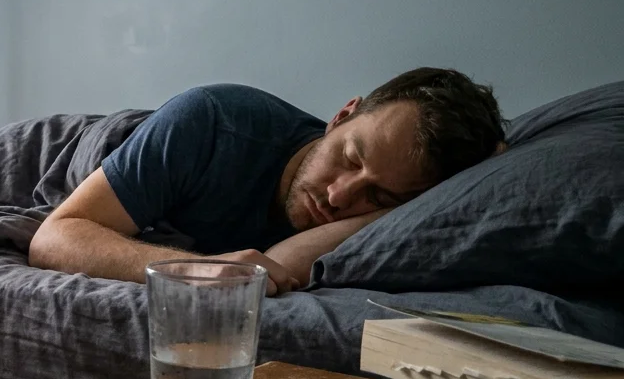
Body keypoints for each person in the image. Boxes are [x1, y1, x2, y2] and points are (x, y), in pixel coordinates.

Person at [28, 67, 505, 294]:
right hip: (74, 150)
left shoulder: (391, 210)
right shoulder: (211, 123)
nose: (340, 195)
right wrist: (198, 269)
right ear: (340, 117)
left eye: (378, 196)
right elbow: (54, 237)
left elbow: (280, 264)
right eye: (348, 157)